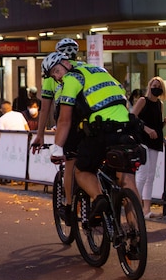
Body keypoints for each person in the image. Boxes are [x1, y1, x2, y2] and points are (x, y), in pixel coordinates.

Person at [39, 51, 140, 223]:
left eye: (56, 71)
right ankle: (136, 233)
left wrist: (57, 149)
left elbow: (64, 120)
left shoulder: (72, 79)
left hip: (103, 130)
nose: (56, 77)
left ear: (66, 62)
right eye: (53, 75)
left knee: (82, 170)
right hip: (127, 127)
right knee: (127, 181)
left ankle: (99, 198)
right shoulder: (100, 70)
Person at [32, 38, 85, 224]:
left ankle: (69, 205)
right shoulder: (82, 67)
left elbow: (45, 109)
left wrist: (39, 135)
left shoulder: (51, 75)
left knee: (69, 162)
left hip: (68, 121)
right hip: (91, 121)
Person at [132, 76, 166, 219]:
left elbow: (157, 124)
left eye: (159, 85)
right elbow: (132, 117)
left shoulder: (160, 104)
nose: (156, 87)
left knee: (150, 176)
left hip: (155, 141)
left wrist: (163, 123)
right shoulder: (143, 101)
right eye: (154, 85)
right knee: (142, 174)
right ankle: (135, 208)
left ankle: (147, 209)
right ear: (149, 86)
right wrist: (145, 128)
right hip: (143, 140)